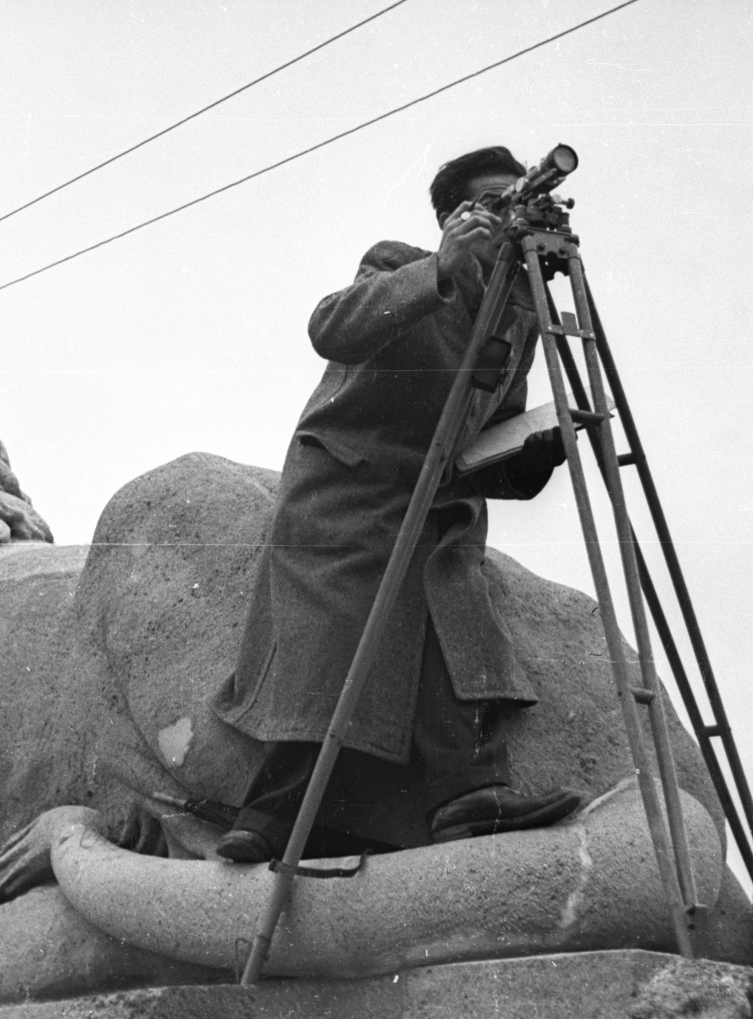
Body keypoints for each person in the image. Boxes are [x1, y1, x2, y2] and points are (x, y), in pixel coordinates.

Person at [210, 145, 583, 863]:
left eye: (523, 201)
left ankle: (468, 792)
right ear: (458, 218)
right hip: (352, 489)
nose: (516, 215)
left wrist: (536, 450)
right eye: (496, 204)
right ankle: (269, 814)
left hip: (438, 500)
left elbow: (483, 430)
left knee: (457, 615)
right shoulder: (398, 263)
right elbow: (331, 325)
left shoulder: (517, 313)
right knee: (335, 636)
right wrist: (441, 269)